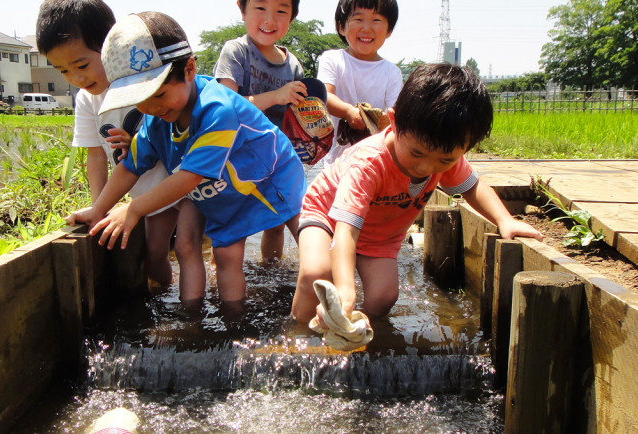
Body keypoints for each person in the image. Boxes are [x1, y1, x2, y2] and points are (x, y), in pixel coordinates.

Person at [65, 11, 307, 306]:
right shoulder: (154, 121)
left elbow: (189, 177)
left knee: (306, 239)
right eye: (140, 100)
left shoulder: (217, 110)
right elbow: (130, 167)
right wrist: (99, 208)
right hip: (226, 192)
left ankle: (318, 304)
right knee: (226, 256)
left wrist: (134, 209)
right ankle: (231, 327)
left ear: (189, 69)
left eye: (160, 94)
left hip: (270, 178)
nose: (152, 107)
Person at [291, 63, 545, 326]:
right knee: (316, 275)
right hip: (329, 217)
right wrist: (345, 288)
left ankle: (350, 332)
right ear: (394, 120)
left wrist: (505, 220)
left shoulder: (443, 156)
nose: (425, 168)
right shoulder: (369, 164)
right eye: (416, 153)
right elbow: (346, 232)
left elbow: (473, 187)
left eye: (444, 160)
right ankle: (298, 333)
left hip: (379, 233)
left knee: (382, 297)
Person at [35, 0, 200, 290]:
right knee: (155, 255)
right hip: (145, 194)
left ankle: (192, 313)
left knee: (187, 246)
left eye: (82, 65)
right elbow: (96, 155)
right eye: (62, 71)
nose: (76, 79)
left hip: (183, 186)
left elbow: (181, 133)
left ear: (112, 48)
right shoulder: (87, 100)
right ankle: (164, 299)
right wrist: (100, 206)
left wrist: (138, 142)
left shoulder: (146, 85)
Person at [214, 0, 305, 263]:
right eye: (260, 8)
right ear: (242, 10)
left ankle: (271, 272)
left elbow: (295, 119)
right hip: (236, 158)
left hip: (277, 159)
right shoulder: (236, 52)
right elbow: (226, 107)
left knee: (277, 223)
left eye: (281, 10)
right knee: (233, 229)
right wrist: (277, 96)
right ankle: (222, 279)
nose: (270, 19)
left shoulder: (293, 65)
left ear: (291, 17)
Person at [317, 0, 403, 165]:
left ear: (389, 30)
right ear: (342, 26)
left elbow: (397, 115)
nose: (367, 28)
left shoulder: (392, 72)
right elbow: (324, 96)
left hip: (371, 162)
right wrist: (349, 112)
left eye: (376, 20)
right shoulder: (333, 59)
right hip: (333, 161)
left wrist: (386, 121)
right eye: (358, 19)